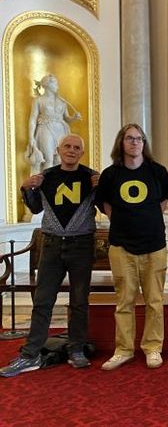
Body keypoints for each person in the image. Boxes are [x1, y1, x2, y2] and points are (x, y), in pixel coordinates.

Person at [0, 135, 98, 378]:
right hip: (52, 246)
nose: (72, 151)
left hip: (81, 245)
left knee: (79, 301)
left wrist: (103, 187)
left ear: (82, 153)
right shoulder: (47, 176)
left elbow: (106, 205)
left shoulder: (92, 177)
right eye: (68, 146)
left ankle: (77, 349)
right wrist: (26, 188)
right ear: (58, 150)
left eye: (77, 147)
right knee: (43, 302)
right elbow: (35, 208)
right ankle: (30, 355)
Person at [97, 124, 168, 371]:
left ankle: (153, 348)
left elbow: (162, 203)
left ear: (144, 143)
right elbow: (106, 206)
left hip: (154, 246)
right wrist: (124, 223)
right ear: (121, 142)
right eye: (130, 139)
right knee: (124, 301)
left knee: (154, 300)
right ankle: (123, 350)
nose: (135, 143)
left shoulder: (157, 171)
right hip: (121, 247)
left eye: (139, 139)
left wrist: (145, 222)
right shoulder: (110, 175)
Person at [27, 74, 81, 171]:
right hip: (45, 128)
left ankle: (59, 183)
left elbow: (66, 118)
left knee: (60, 160)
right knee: (48, 159)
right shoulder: (39, 100)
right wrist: (31, 137)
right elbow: (33, 119)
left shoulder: (62, 101)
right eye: (55, 84)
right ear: (47, 85)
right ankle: (47, 184)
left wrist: (74, 117)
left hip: (61, 129)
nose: (57, 86)